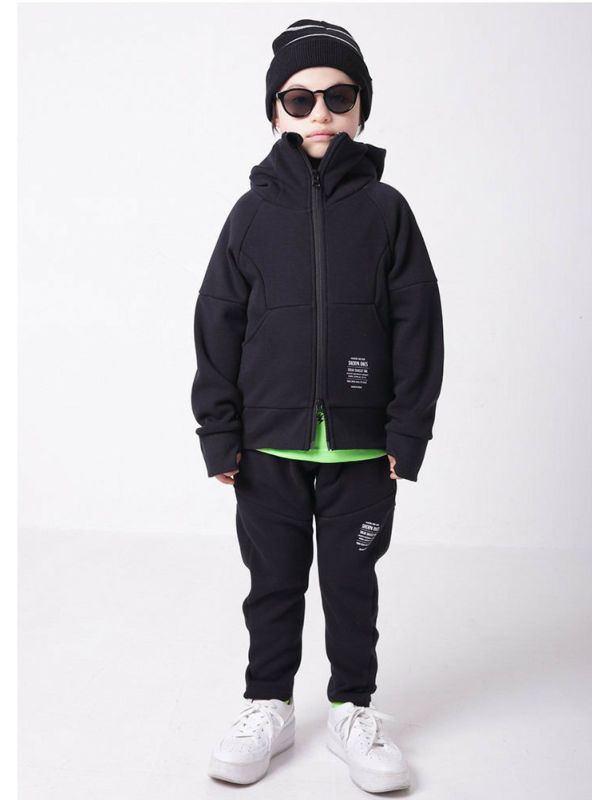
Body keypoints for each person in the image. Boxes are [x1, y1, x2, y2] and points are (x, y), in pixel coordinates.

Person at [192, 18, 444, 793]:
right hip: (267, 443)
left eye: (338, 96)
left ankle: (351, 709)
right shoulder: (250, 215)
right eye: (299, 100)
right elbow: (216, 322)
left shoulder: (387, 210)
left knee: (350, 582)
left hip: (364, 448)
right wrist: (219, 431)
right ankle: (267, 704)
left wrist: (408, 429)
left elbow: (419, 324)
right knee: (273, 582)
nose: (320, 114)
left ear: (361, 107)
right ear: (275, 111)